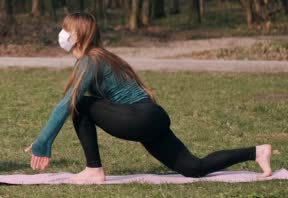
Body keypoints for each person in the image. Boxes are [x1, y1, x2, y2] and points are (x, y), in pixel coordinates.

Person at [25, 12, 273, 183]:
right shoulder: (103, 56)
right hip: (152, 117)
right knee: (193, 168)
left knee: (79, 104)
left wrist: (43, 142)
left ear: (76, 36)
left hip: (139, 117)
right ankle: (257, 152)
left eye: (66, 29)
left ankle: (93, 169)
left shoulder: (91, 60)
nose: (62, 33)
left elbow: (65, 104)